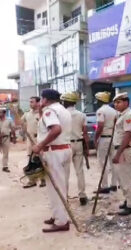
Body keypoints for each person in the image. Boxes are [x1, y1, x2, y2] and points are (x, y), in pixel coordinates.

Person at [32, 89, 72, 233]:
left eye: (41, 99)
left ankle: (61, 221)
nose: (40, 102)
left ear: (45, 99)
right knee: (60, 185)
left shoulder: (50, 111)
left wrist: (40, 145)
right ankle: (57, 215)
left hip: (54, 151)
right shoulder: (63, 110)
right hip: (64, 149)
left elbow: (56, 129)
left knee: (56, 188)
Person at [112, 92, 131, 216]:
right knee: (122, 178)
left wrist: (118, 153)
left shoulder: (128, 115)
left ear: (126, 102)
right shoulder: (122, 115)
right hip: (123, 149)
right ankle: (129, 199)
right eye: (115, 102)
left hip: (125, 149)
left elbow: (127, 135)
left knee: (126, 178)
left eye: (118, 102)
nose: (116, 105)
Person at [60, 92, 89, 206]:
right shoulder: (82, 115)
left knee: (65, 172)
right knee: (79, 171)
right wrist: (86, 147)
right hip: (79, 144)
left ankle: (65, 196)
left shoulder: (61, 114)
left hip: (66, 145)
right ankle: (82, 195)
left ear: (66, 102)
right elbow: (85, 133)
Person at [94, 91, 118, 194]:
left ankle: (105, 186)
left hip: (104, 138)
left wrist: (95, 138)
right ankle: (114, 184)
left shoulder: (100, 111)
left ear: (100, 100)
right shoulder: (114, 111)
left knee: (103, 162)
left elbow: (100, 126)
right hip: (113, 138)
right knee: (114, 163)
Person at [21, 97, 46, 187]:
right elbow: (21, 122)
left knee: (41, 160)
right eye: (30, 102)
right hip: (30, 140)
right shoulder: (27, 114)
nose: (30, 103)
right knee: (31, 161)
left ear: (38, 103)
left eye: (32, 102)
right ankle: (32, 180)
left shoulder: (42, 113)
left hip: (40, 140)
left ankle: (43, 179)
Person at [0, 106, 16, 173]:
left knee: (5, 153)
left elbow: (12, 129)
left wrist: (14, 137)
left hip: (6, 138)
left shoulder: (9, 120)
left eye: (0, 112)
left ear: (4, 113)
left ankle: (5, 166)